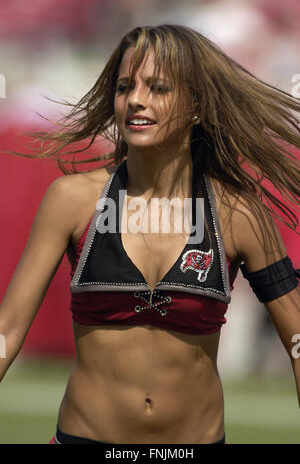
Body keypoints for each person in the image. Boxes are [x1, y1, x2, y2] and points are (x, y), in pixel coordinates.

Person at [1, 24, 300, 445]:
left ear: (196, 104)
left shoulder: (238, 213)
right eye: (125, 87)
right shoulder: (71, 200)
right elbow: (8, 329)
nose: (136, 100)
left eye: (158, 87)